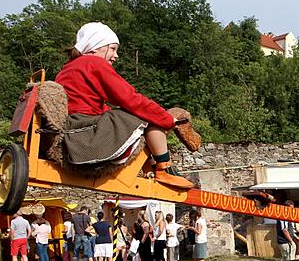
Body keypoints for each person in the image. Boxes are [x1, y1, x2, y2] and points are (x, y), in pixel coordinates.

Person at [55, 22, 196, 188]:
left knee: (129, 115)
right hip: (85, 133)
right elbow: (129, 98)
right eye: (113, 48)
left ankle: (149, 165)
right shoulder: (93, 63)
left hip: (75, 130)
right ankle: (164, 168)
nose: (116, 56)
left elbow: (95, 107)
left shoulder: (67, 68)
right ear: (96, 46)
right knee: (143, 115)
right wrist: (166, 119)